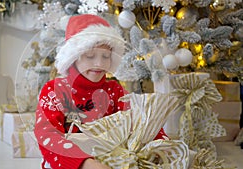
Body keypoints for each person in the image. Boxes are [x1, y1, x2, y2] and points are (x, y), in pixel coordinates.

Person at [34, 14, 168, 169]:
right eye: (90, 56)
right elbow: (48, 134)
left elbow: (142, 121)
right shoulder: (55, 91)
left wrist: (162, 144)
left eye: (106, 56)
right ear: (74, 57)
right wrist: (84, 163)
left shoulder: (115, 90)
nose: (99, 64)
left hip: (113, 162)